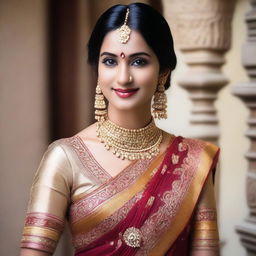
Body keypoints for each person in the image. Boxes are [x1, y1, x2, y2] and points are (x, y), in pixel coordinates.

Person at [20, 3, 220, 256]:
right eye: (110, 61)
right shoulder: (65, 157)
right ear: (97, 69)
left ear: (163, 72)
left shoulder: (194, 160)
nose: (123, 77)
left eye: (139, 61)